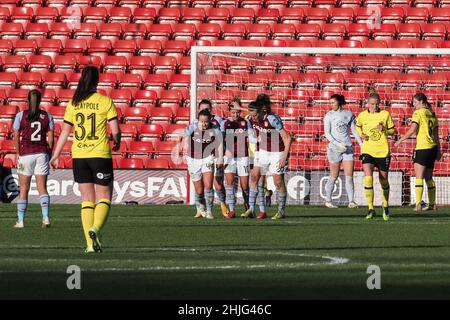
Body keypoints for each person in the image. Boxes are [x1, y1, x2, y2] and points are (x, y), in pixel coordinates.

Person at [49, 66, 121, 253]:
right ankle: (95, 229)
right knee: (104, 196)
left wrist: (56, 155)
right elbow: (115, 131)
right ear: (97, 81)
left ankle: (89, 245)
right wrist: (117, 142)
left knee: (86, 199)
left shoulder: (74, 103)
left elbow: (65, 131)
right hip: (99, 154)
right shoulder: (105, 101)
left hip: (79, 155)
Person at [243, 94, 292, 220]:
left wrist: (284, 157)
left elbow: (287, 138)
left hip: (277, 152)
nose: (253, 117)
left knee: (278, 181)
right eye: (251, 115)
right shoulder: (252, 117)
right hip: (263, 151)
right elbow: (250, 112)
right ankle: (251, 209)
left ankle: (281, 211)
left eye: (254, 115)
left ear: (261, 111)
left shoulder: (272, 119)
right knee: (254, 176)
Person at [12, 89, 54, 229]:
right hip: (42, 153)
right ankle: (46, 218)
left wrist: (19, 152)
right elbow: (51, 138)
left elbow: (16, 136)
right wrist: (49, 152)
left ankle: (21, 221)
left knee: (24, 188)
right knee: (43, 187)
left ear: (27, 100)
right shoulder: (47, 116)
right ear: (40, 100)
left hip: (26, 155)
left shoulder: (20, 115)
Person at [394, 93, 441, 211]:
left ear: (421, 102)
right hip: (433, 148)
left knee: (419, 176)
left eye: (415, 102)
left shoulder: (418, 113)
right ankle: (432, 204)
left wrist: (400, 140)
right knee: (429, 177)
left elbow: (413, 130)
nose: (413, 105)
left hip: (423, 147)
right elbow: (436, 135)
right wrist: (439, 150)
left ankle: (418, 204)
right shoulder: (432, 113)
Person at [176, 108, 223, 219]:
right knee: (199, 190)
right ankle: (200, 208)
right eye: (202, 121)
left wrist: (220, 158)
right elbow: (180, 136)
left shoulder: (215, 129)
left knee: (208, 185)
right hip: (193, 159)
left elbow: (220, 143)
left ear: (210, 120)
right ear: (198, 120)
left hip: (208, 157)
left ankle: (210, 211)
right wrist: (179, 151)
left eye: (206, 121)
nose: (204, 124)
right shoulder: (193, 127)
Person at [356, 91, 395, 221]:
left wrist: (384, 129)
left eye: (377, 104)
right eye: (372, 104)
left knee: (383, 180)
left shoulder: (385, 114)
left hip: (383, 151)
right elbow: (357, 126)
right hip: (367, 150)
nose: (374, 107)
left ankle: (385, 205)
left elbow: (392, 131)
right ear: (367, 103)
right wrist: (361, 134)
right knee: (368, 178)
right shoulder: (362, 115)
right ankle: (371, 208)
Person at [323, 94, 363, 209]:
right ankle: (328, 200)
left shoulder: (348, 114)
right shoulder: (328, 116)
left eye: (333, 103)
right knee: (333, 175)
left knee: (349, 176)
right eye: (330, 103)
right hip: (334, 148)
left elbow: (354, 131)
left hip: (347, 148)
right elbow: (327, 133)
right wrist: (337, 144)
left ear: (339, 103)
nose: (331, 105)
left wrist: (361, 144)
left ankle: (351, 201)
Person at [221, 98, 255, 219]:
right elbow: (219, 140)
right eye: (233, 112)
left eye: (237, 112)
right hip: (229, 158)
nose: (235, 115)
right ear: (229, 111)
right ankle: (231, 210)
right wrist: (225, 150)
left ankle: (248, 207)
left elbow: (251, 138)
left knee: (244, 185)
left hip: (243, 156)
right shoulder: (224, 123)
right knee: (230, 183)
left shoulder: (245, 122)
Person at [197, 99, 229, 218]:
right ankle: (201, 208)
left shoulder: (218, 121)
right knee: (202, 183)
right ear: (199, 110)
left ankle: (222, 203)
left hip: (216, 155)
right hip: (203, 156)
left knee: (218, 184)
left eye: (208, 109)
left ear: (211, 110)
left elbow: (221, 138)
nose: (205, 110)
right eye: (202, 109)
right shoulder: (197, 122)